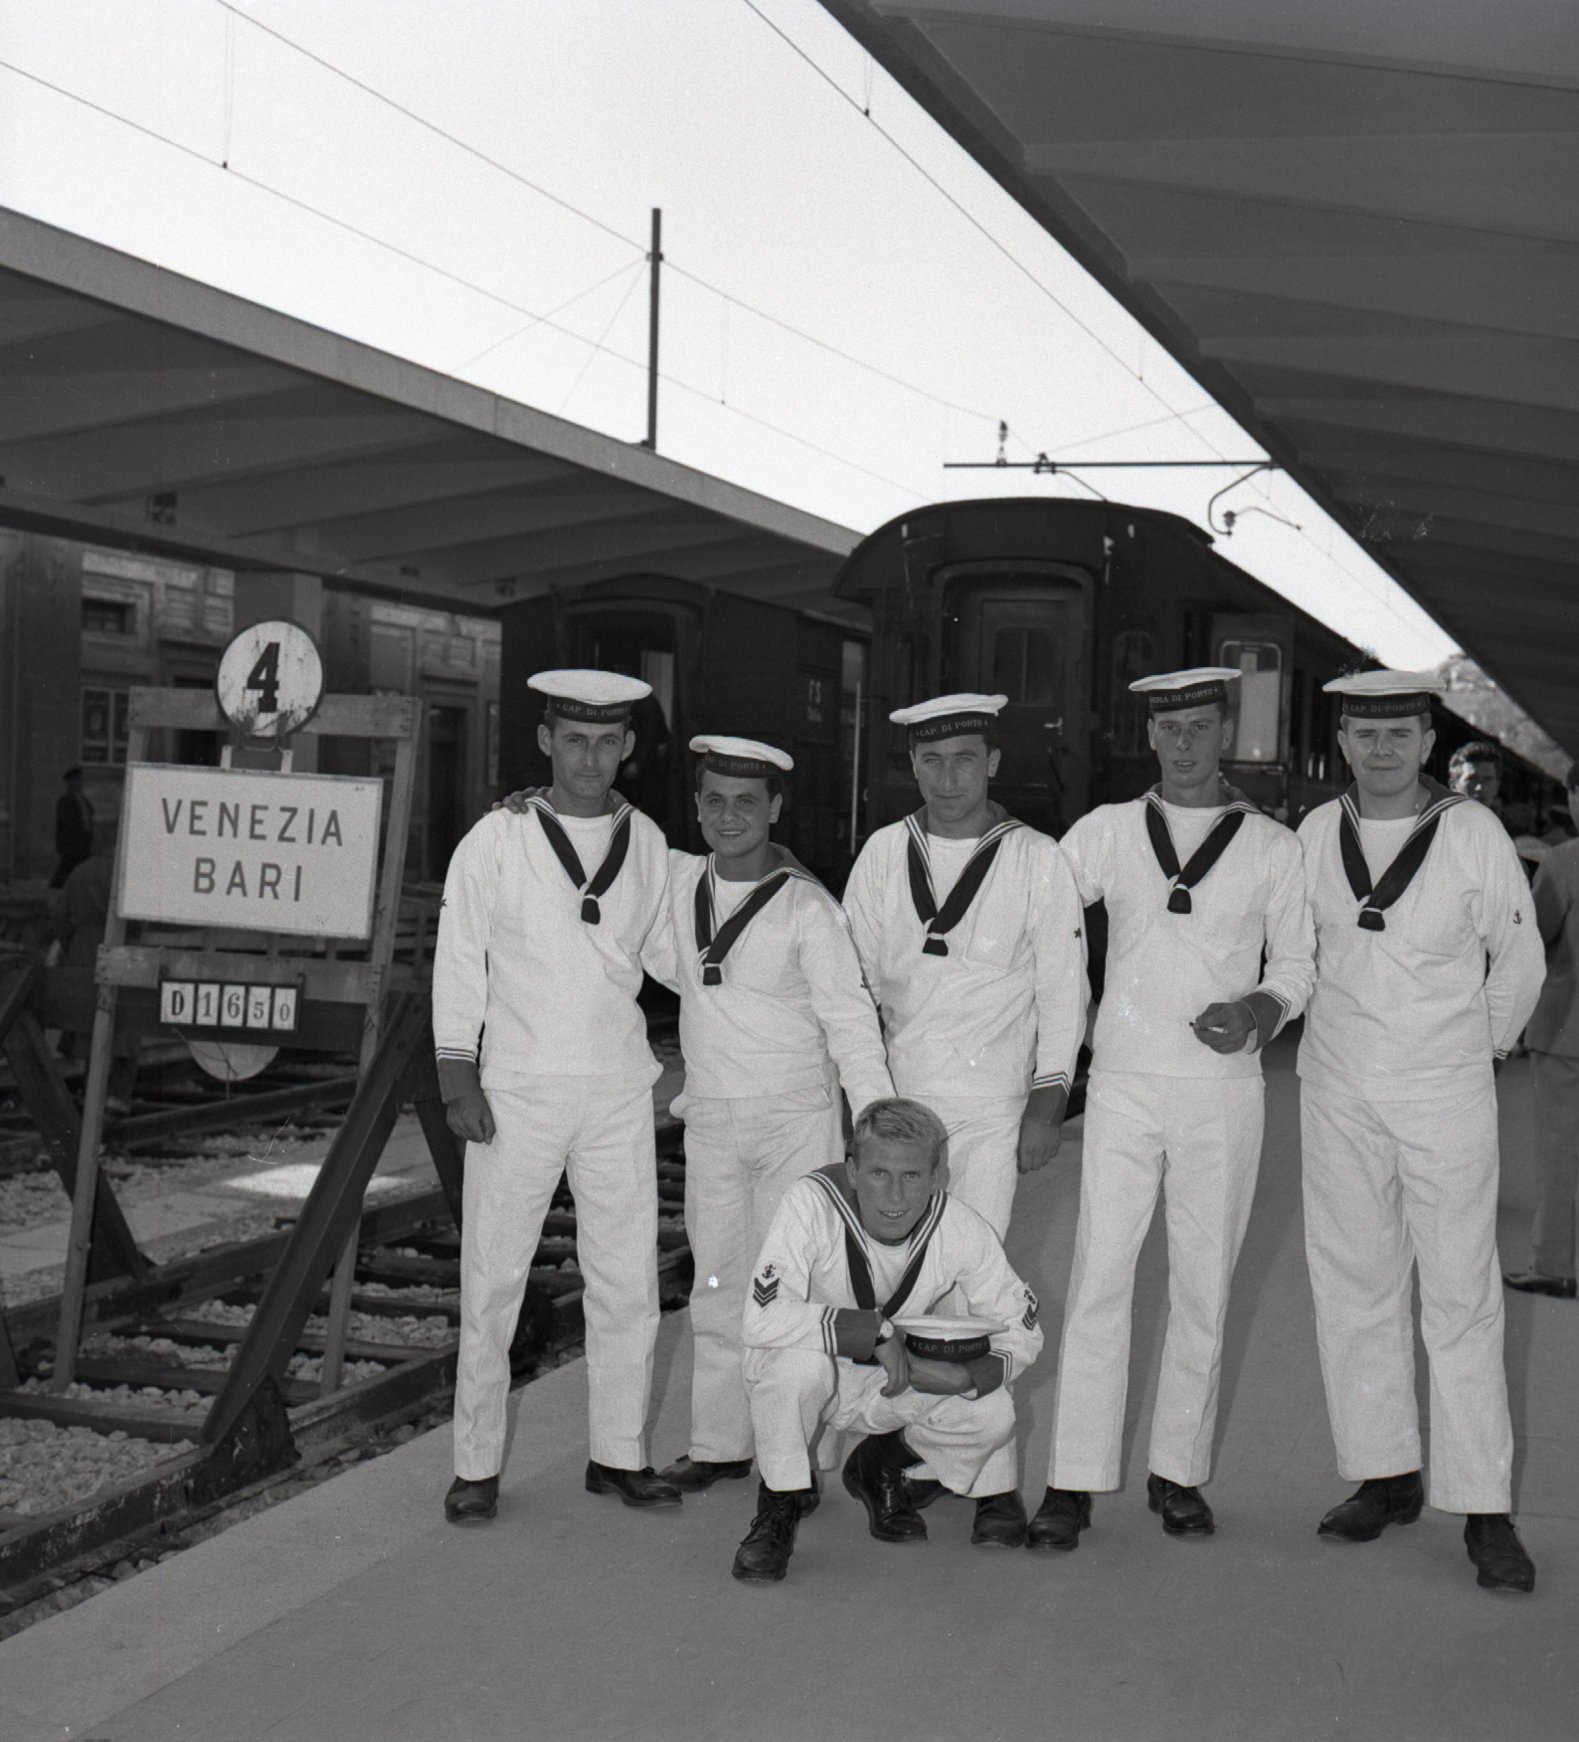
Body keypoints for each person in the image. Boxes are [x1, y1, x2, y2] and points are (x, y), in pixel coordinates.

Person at [1030, 668, 1315, 1550]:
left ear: (1225, 731)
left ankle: (1178, 1472)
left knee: (1202, 1281)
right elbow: (1036, 907)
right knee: (1099, 1278)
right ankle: (1073, 1478)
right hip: (1122, 1084)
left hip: (1220, 1093)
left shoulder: (1272, 847)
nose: (1184, 742)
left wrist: (1258, 1010)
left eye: (1199, 725)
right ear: (1149, 734)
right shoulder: (1108, 830)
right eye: (1169, 728)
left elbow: (1297, 965)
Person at [1297, 669, 1545, 1593]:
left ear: (1426, 744)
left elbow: (1517, 962)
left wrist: (1473, 1053)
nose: (1381, 750)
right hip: (1336, 1090)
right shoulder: (1314, 834)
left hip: (1443, 1091)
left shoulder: (1470, 833)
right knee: (1353, 1285)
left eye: (1398, 734)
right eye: (1364, 735)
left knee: (1460, 1296)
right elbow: (1296, 956)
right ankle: (1384, 1473)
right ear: (1342, 743)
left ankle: (1483, 1507)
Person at [432, 668, 678, 1523]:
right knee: (492, 1281)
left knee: (625, 1281)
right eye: (574, 740)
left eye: (607, 742)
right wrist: (457, 1075)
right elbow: (459, 956)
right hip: (518, 1090)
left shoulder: (647, 841)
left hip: (615, 1088)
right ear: (545, 741)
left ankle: (618, 1454)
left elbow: (672, 952)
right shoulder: (496, 838)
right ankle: (474, 1467)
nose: (589, 758)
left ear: (628, 748)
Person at [636, 734, 894, 1493]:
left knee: (794, 1292)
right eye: (714, 800)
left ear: (775, 809)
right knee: (717, 1288)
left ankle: (798, 1457)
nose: (729, 816)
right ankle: (719, 1444)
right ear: (695, 806)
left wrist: (877, 1128)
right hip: (713, 1117)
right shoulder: (676, 882)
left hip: (794, 1121)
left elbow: (851, 1022)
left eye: (746, 802)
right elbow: (606, 849)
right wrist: (531, 805)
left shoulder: (808, 907)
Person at [731, 1097, 1043, 1582]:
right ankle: (777, 1506)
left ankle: (880, 1465)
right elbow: (761, 1318)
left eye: (912, 1176)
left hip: (888, 1381)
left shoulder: (959, 1226)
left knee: (992, 1412)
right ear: (853, 1170)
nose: (895, 1195)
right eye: (879, 1173)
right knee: (796, 1368)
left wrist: (966, 1376)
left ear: (936, 1176)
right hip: (812, 1369)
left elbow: (1023, 1327)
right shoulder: (812, 1202)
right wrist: (870, 1331)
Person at [841, 693, 1087, 1237]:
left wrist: (1047, 1106)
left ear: (992, 763)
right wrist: (862, 1102)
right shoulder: (884, 853)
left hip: (991, 1106)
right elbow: (853, 993)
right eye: (931, 760)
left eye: (964, 759)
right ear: (913, 764)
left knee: (974, 1258)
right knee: (896, 1261)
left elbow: (1064, 992)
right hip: (900, 1097)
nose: (947, 778)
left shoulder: (1037, 858)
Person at [1505, 762, 1579, 1301]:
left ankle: (1554, 1265)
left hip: (1565, 1033)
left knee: (1560, 1152)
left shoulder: (1563, 861)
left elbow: (1533, 936)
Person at [51, 767, 94, 889]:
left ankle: (66, 888)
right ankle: (55, 888)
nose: (80, 784)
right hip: (72, 843)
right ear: (70, 783)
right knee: (67, 868)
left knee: (75, 868)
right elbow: (68, 823)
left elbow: (90, 813)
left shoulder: (82, 799)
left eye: (80, 781)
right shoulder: (65, 801)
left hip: (82, 843)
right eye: (77, 781)